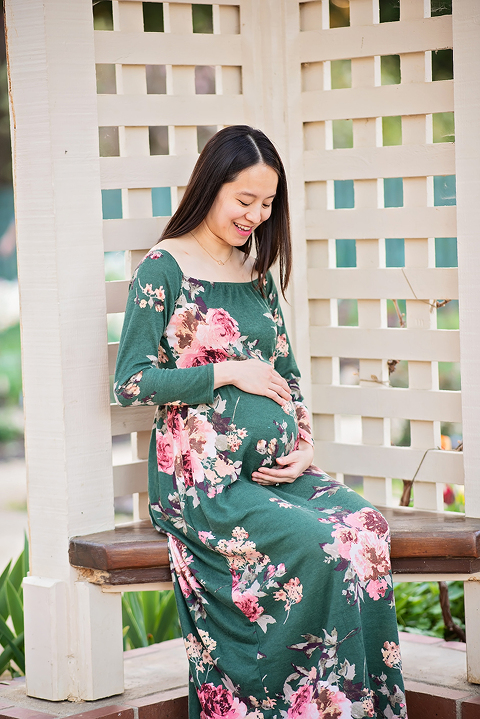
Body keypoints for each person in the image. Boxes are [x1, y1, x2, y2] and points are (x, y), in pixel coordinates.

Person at [114, 125, 407, 719]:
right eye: (243, 200)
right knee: (323, 544)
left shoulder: (257, 270)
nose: (255, 215)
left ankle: (354, 707)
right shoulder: (163, 270)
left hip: (278, 474)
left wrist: (303, 441)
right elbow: (131, 381)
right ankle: (296, 703)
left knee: (367, 528)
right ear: (209, 188)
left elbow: (289, 373)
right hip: (205, 484)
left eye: (267, 203)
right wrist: (227, 373)